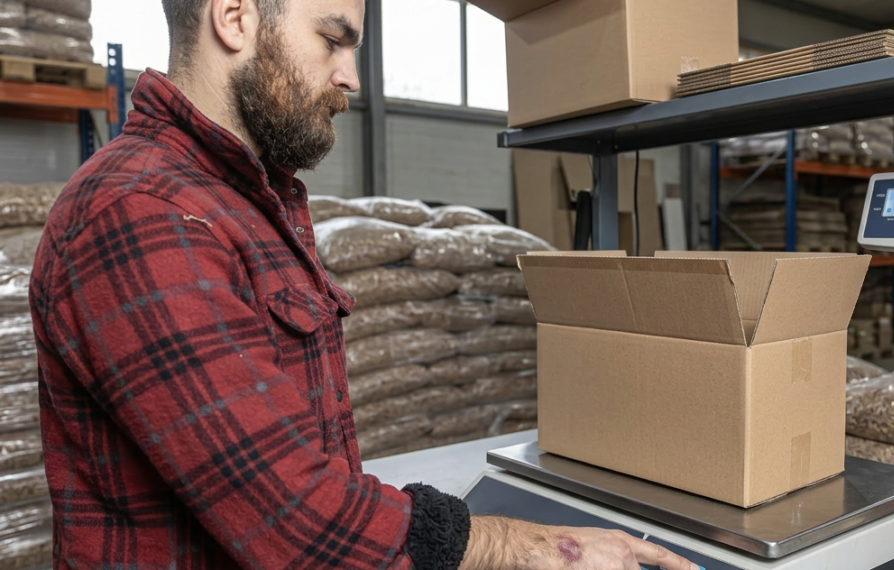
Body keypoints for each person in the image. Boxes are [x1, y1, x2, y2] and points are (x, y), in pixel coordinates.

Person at [29, 0, 701, 569]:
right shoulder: (141, 210)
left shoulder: (241, 201)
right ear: (234, 17)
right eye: (332, 39)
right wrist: (528, 547)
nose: (349, 76)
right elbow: (293, 517)